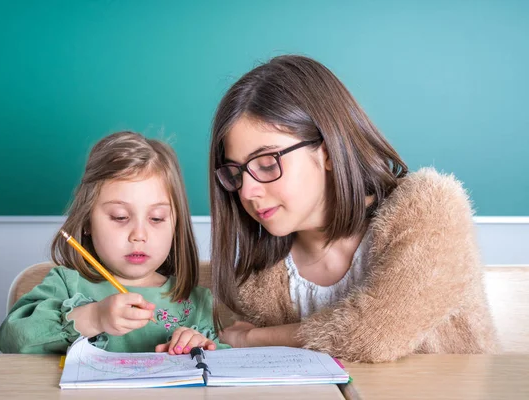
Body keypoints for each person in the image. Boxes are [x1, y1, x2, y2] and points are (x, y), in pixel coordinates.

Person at [208, 55, 497, 362]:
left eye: (266, 164)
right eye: (236, 174)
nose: (247, 191)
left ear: (329, 151)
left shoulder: (431, 210)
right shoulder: (263, 276)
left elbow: (377, 333)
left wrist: (253, 338)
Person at [0, 131, 226, 355]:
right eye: (120, 217)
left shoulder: (197, 302)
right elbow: (12, 338)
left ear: (175, 226)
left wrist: (201, 347)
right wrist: (94, 317)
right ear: (87, 220)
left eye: (156, 218)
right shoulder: (67, 285)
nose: (139, 234)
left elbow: (229, 365)